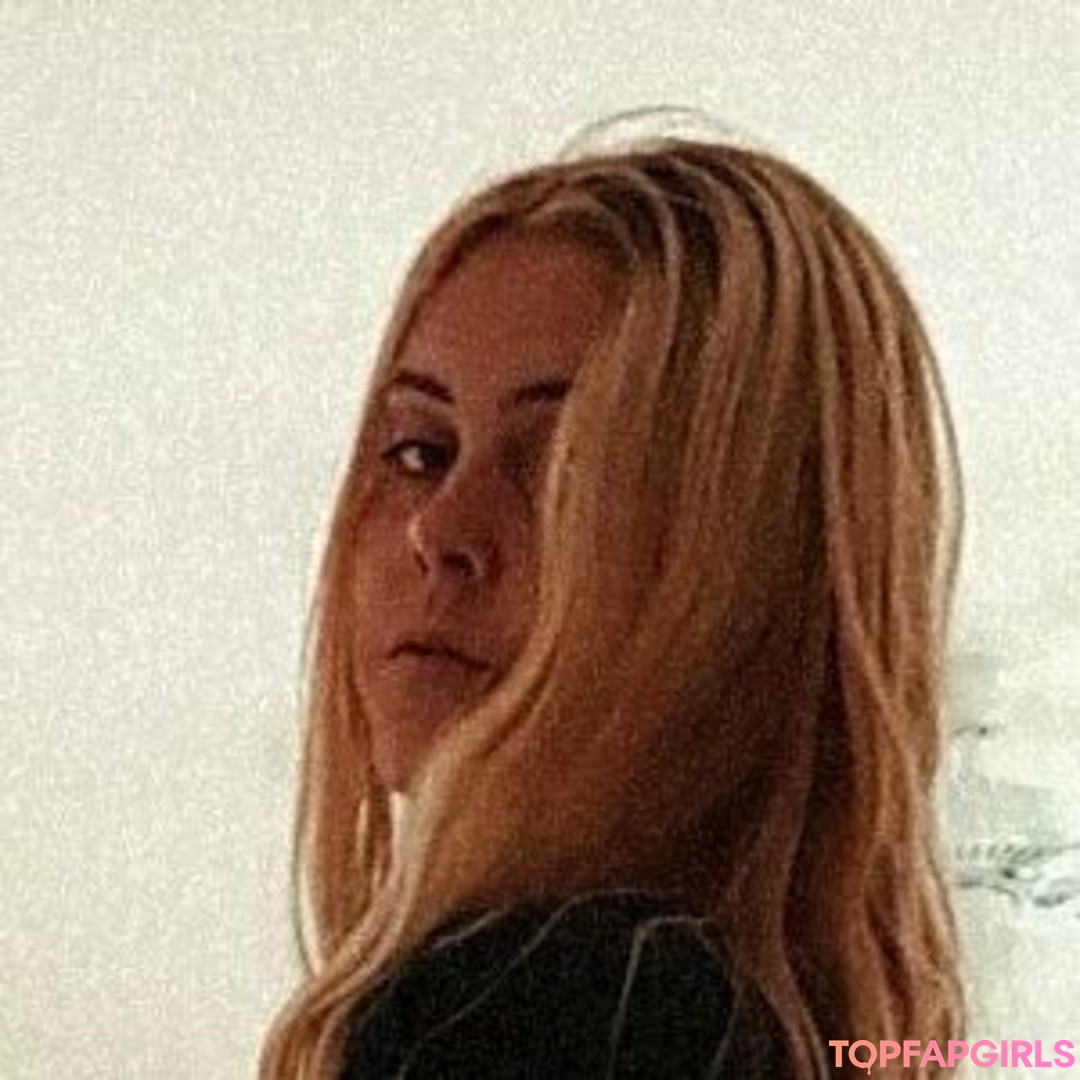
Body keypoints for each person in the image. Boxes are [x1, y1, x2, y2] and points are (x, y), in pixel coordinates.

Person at [258, 116, 968, 1078]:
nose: (441, 530)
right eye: (419, 451)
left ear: (743, 556)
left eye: (565, 468)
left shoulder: (549, 1013)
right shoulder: (774, 1021)